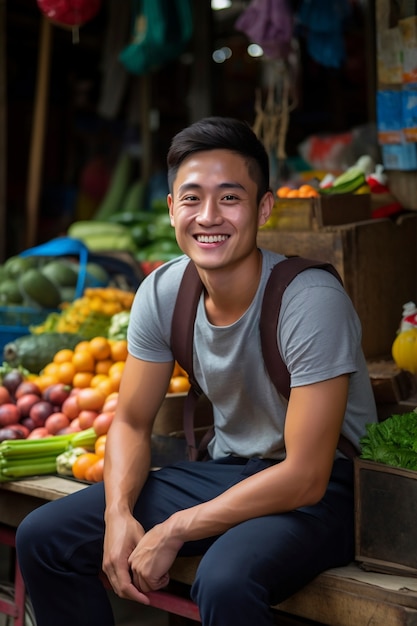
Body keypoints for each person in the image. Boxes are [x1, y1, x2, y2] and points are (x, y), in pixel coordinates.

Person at [16, 116, 377, 626]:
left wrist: (175, 528)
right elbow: (132, 423)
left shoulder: (310, 301)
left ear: (264, 208)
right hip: (226, 471)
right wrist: (118, 514)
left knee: (226, 580)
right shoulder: (162, 292)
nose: (209, 216)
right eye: (192, 198)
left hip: (321, 491)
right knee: (44, 537)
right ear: (171, 210)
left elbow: (306, 476)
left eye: (230, 198)